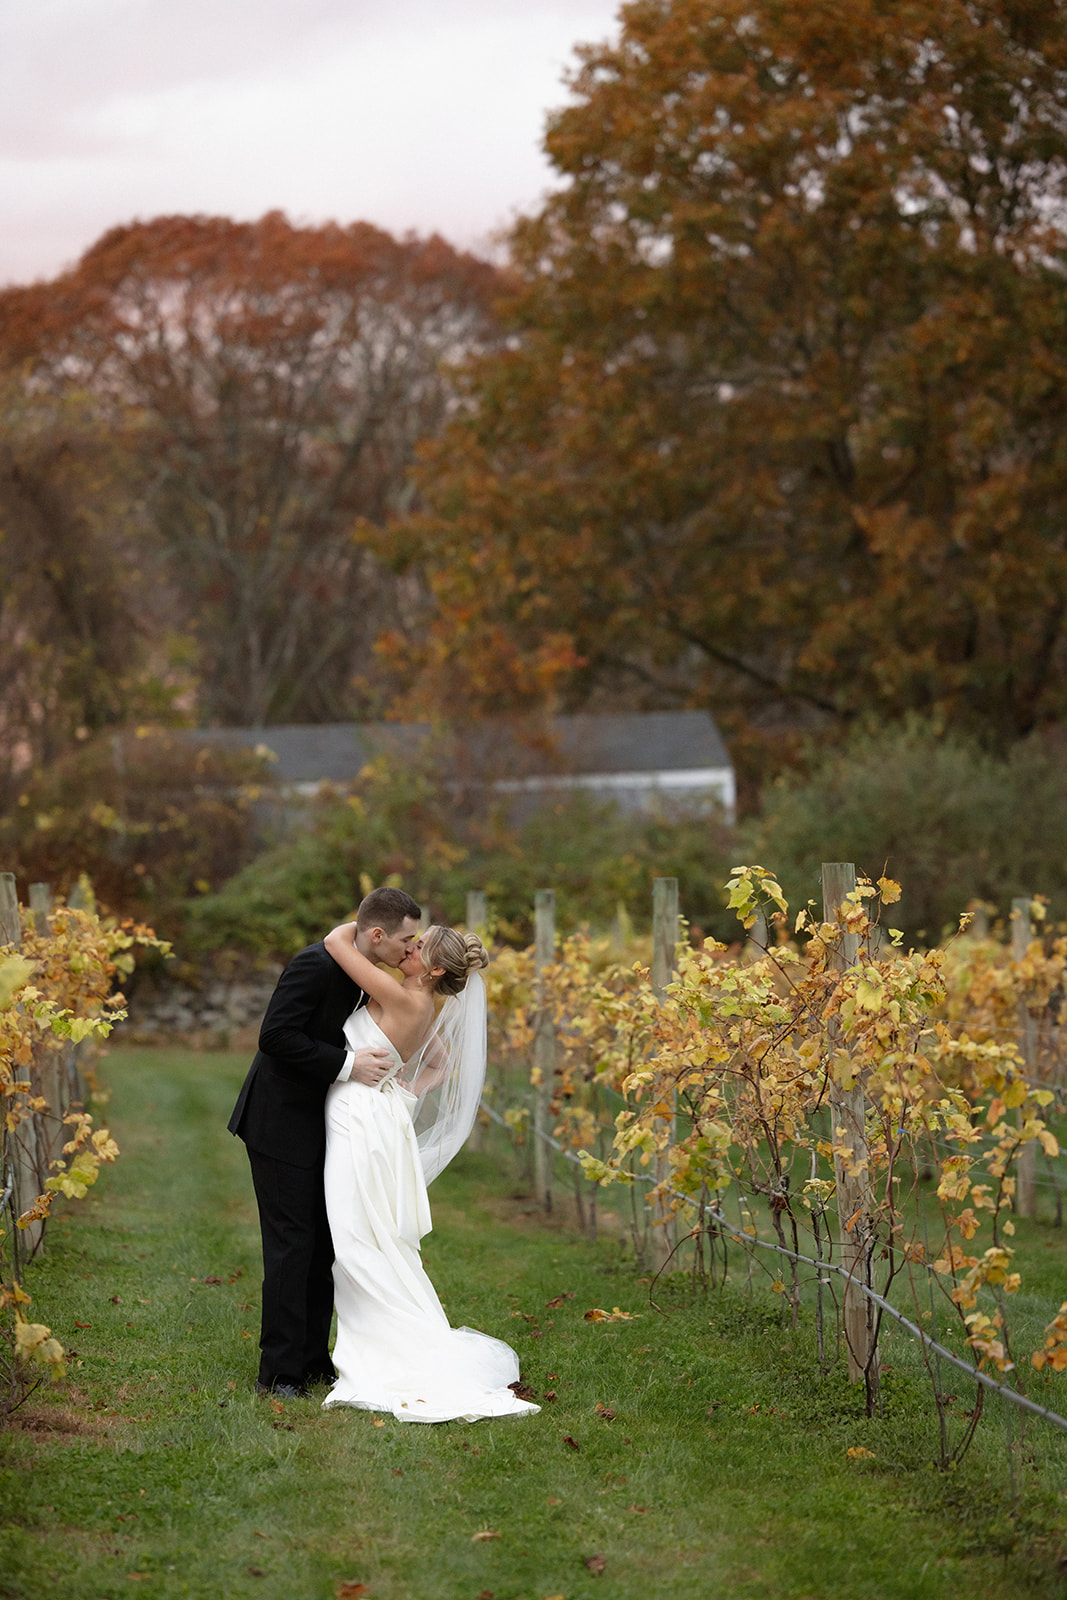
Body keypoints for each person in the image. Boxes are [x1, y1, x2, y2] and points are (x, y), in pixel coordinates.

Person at [318, 918, 540, 1423]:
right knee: (370, 1236)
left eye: (416, 947)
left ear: (434, 968)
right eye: (409, 942)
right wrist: (403, 1090)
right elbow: (438, 1064)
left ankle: (392, 1352)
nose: (407, 949)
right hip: (376, 1115)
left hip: (362, 1119)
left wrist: (375, 923)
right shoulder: (421, 1004)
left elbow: (335, 942)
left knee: (357, 1238)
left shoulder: (402, 997)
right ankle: (385, 1338)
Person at [228, 887, 422, 1398]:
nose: (411, 949)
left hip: (328, 1126)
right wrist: (347, 1066)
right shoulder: (314, 964)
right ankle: (280, 1374)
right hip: (279, 1123)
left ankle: (314, 1360)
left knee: (323, 1245)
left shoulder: (364, 969)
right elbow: (275, 1036)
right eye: (406, 939)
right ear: (377, 935)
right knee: (292, 1246)